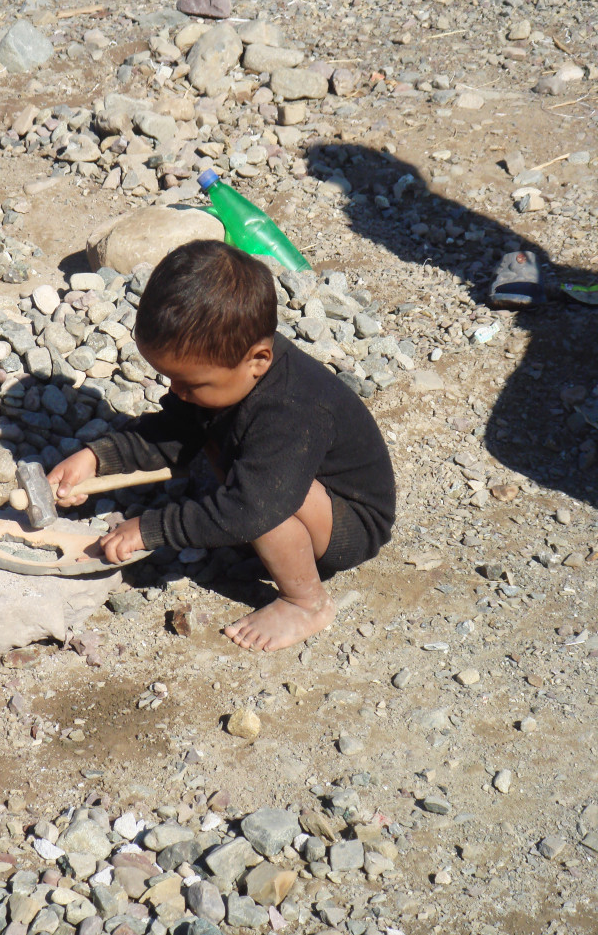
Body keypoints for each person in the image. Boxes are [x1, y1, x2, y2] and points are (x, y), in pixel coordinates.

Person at [47, 240, 396, 652]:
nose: (176, 390)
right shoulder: (228, 369)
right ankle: (253, 525)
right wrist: (97, 458)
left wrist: (153, 529)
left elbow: (255, 507)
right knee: (218, 449)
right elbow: (176, 433)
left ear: (259, 360)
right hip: (286, 485)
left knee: (259, 508)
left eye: (191, 384)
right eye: (170, 378)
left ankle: (306, 602)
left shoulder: (292, 407)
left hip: (348, 522)